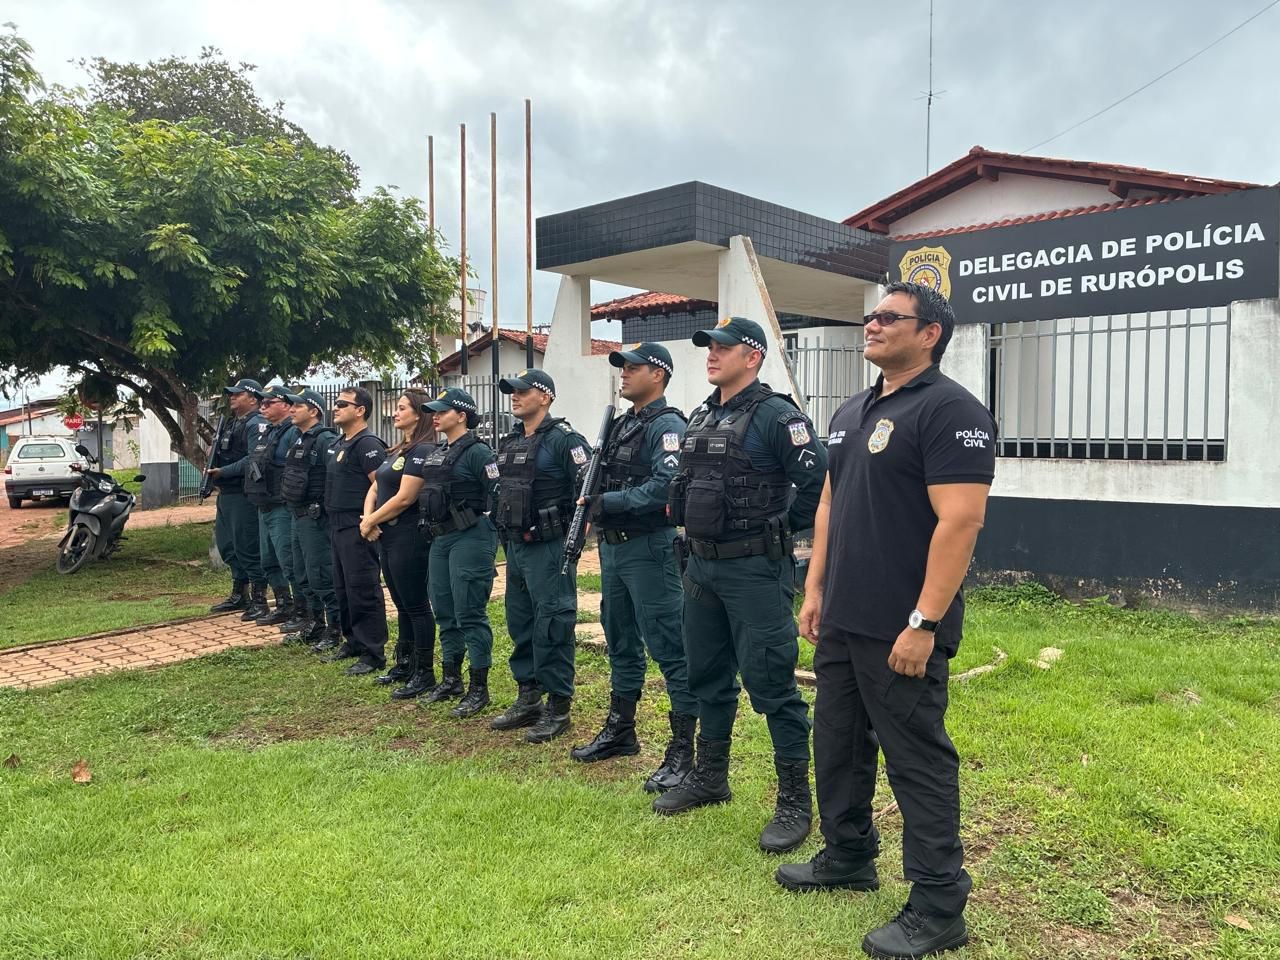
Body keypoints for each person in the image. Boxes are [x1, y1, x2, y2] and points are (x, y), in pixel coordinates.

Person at [776, 282, 995, 960]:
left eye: (889, 317)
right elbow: (829, 506)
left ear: (929, 333)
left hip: (902, 626)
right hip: (843, 616)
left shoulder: (952, 410)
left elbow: (962, 519)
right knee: (836, 742)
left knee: (917, 761)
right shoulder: (851, 410)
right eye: (870, 316)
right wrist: (814, 589)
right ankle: (848, 854)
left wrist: (924, 622)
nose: (871, 325)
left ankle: (937, 908)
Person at [655, 316, 828, 857]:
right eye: (709, 346)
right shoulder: (705, 413)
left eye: (723, 348)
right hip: (701, 567)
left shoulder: (776, 416)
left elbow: (820, 480)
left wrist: (778, 526)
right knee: (707, 674)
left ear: (752, 357)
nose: (712, 355)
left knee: (772, 682)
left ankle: (795, 801)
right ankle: (711, 776)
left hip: (754, 571)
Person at [569, 343, 698, 794]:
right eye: (622, 366)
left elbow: (666, 487)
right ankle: (621, 729)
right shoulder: (622, 425)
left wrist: (610, 502)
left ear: (658, 375)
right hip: (614, 549)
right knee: (619, 637)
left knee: (668, 644)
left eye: (634, 367)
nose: (624, 373)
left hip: (649, 548)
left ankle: (684, 750)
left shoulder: (667, 425)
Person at [488, 369, 591, 743]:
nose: (514, 397)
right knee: (520, 622)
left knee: (552, 623)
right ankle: (528, 696)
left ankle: (558, 706)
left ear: (545, 397)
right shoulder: (510, 440)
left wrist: (574, 541)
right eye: (511, 391)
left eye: (522, 391)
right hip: (515, 546)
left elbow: (588, 491)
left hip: (548, 547)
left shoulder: (565, 440)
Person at [419, 388, 501, 717]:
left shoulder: (479, 452)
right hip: (441, 539)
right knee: (444, 609)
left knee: (470, 611)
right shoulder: (439, 451)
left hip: (471, 537)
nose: (435, 416)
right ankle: (451, 678)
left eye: (442, 411)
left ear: (462, 415)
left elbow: (499, 493)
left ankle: (478, 688)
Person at [359, 388, 439, 698]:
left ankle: (424, 671)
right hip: (386, 535)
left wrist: (371, 521)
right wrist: (369, 520)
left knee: (416, 605)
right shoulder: (398, 450)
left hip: (409, 535)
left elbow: (406, 498)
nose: (396, 412)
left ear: (418, 414)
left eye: (402, 408)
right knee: (401, 604)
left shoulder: (423, 450)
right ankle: (404, 664)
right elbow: (375, 488)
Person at [321, 386, 390, 676]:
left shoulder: (367, 444)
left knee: (363, 587)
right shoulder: (340, 442)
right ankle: (353, 641)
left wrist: (371, 520)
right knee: (343, 587)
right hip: (336, 525)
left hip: (356, 526)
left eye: (341, 404)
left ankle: (373, 650)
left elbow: (382, 485)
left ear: (360, 410)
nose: (335, 408)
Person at [279, 388, 340, 648]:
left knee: (321, 574)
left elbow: (334, 479)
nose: (291, 410)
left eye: (297, 406)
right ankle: (316, 623)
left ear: (313, 410)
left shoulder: (326, 440)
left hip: (316, 517)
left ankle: (335, 628)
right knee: (301, 572)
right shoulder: (299, 439)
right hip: (297, 515)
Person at [207, 379, 270, 619]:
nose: (232, 397)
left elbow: (253, 459)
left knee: (247, 546)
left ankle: (259, 598)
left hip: (244, 495)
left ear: (253, 399)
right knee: (228, 546)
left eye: (238, 394)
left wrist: (224, 471)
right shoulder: (233, 423)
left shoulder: (257, 424)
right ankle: (238, 593)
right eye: (231, 394)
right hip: (227, 494)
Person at [243, 385, 302, 626]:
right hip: (263, 504)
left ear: (286, 405)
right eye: (262, 403)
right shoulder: (269, 432)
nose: (263, 406)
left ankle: (303, 610)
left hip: (281, 506)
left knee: (289, 561)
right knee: (268, 560)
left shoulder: (292, 433)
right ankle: (283, 604)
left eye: (270, 403)